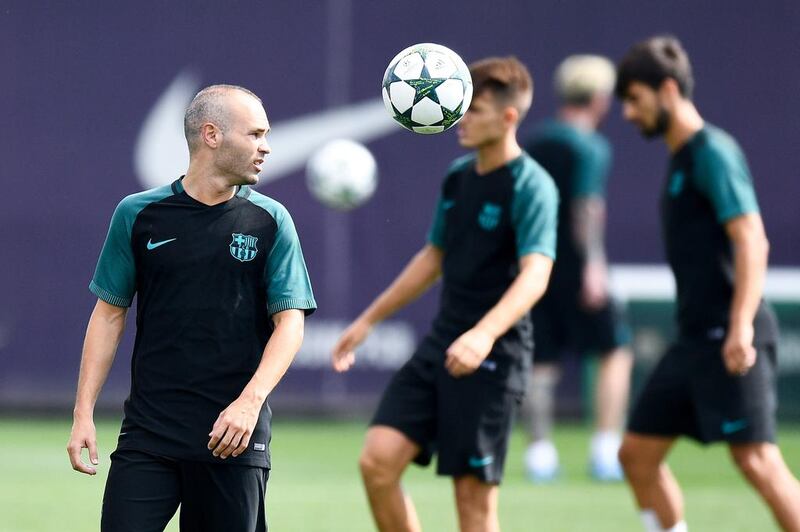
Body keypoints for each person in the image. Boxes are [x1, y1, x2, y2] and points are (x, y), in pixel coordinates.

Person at [66, 84, 316, 532]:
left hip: (233, 438)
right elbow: (108, 314)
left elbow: (290, 324)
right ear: (212, 135)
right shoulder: (138, 214)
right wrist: (83, 412)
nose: (266, 147)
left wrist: (249, 403)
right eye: (255, 134)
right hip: (149, 434)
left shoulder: (272, 220)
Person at [331, 56, 558, 532]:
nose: (457, 116)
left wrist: (484, 335)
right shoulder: (459, 176)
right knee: (378, 463)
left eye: (471, 108)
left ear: (508, 117)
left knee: (472, 504)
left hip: (494, 354)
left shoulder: (531, 185)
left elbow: (536, 274)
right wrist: (368, 320)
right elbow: (433, 258)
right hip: (443, 343)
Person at [614, 36, 800, 531]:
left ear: (667, 89)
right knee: (636, 454)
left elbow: (752, 240)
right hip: (694, 339)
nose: (629, 114)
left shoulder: (712, 152)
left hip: (731, 333)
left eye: (635, 99)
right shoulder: (680, 159)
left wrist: (740, 327)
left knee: (757, 461)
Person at [522, 55, 633, 483]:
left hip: (535, 263)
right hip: (574, 264)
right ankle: (606, 450)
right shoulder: (588, 145)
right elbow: (586, 208)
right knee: (614, 351)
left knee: (541, 362)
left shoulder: (536, 141)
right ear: (601, 99)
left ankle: (540, 454)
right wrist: (593, 266)